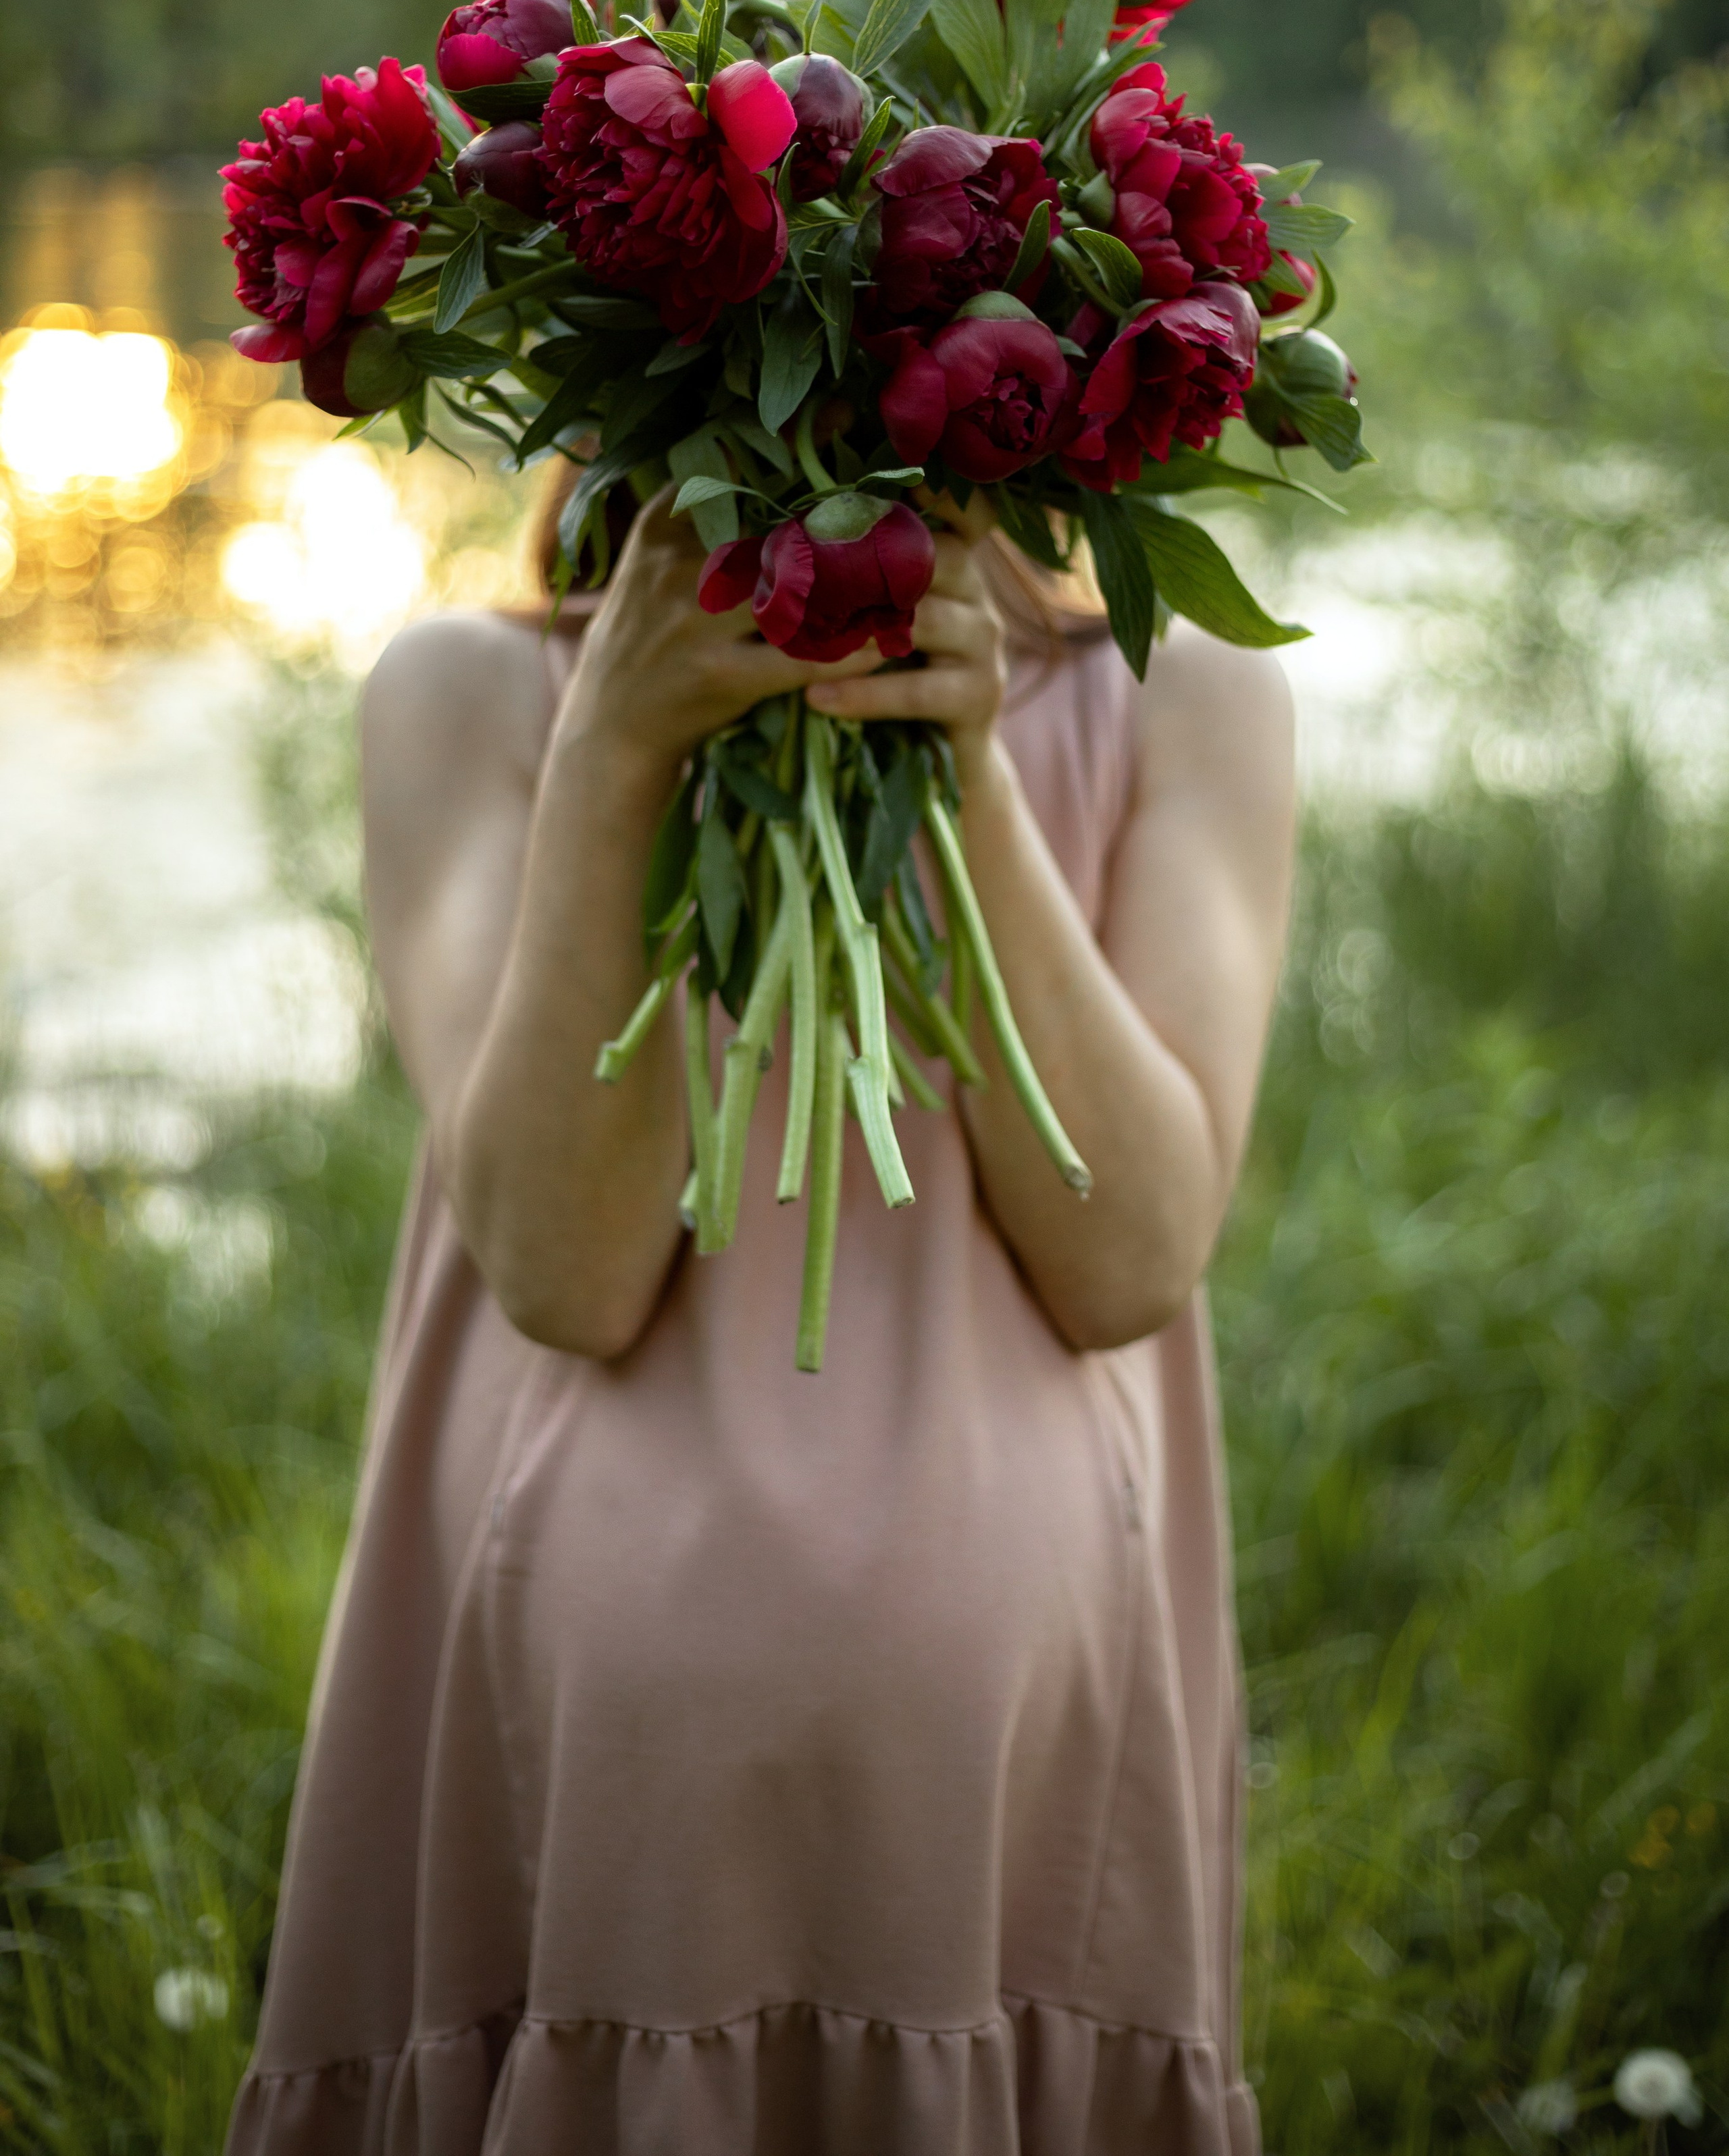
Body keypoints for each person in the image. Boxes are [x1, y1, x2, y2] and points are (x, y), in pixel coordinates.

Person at [225, 465, 1295, 2156]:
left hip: (1010, 1804)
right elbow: (564, 1274)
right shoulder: (471, 695)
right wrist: (616, 746)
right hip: (574, 1787)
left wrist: (961, 771)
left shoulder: (1188, 696)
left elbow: (1134, 1254)